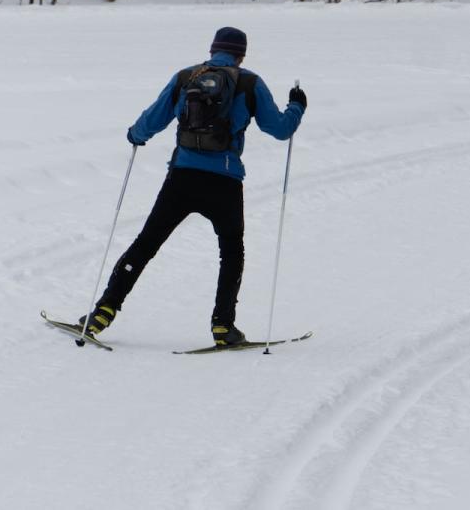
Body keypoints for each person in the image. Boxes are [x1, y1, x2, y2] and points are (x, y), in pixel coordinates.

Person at [79, 27, 306, 348]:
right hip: (225, 182)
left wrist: (135, 135)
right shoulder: (250, 82)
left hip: (182, 178)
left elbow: (152, 119)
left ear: (213, 50)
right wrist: (297, 106)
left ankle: (102, 312)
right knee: (231, 252)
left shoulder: (186, 77)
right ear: (241, 54)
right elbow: (280, 129)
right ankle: (223, 327)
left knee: (145, 245)